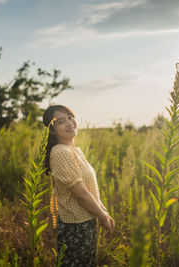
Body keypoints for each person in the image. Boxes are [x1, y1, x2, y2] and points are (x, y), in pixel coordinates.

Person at [42, 105, 115, 267]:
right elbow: (80, 194)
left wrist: (102, 211)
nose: (69, 123)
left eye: (70, 117)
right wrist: (102, 216)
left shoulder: (74, 151)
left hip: (86, 221)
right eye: (61, 122)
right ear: (52, 130)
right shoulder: (60, 152)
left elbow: (89, 190)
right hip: (75, 227)